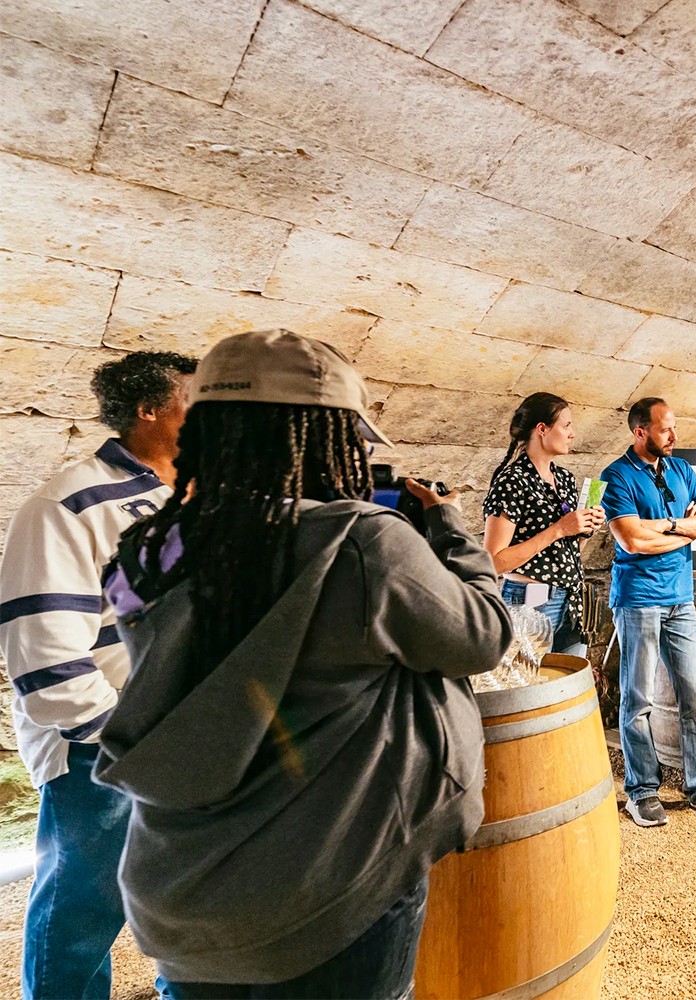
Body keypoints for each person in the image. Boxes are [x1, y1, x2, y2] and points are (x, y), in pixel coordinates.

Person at [93, 329, 513, 997]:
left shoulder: (150, 548)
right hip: (331, 887)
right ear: (327, 437)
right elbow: (482, 635)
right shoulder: (364, 543)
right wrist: (450, 529)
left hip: (185, 890)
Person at [0, 350, 195, 1000]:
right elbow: (47, 658)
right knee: (81, 915)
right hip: (106, 750)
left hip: (186, 739)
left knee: (184, 903)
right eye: (195, 399)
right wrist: (125, 738)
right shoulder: (66, 505)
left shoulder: (188, 496)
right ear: (148, 410)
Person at [601, 397, 696, 828]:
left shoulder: (682, 470)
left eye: (674, 427)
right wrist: (688, 530)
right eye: (665, 429)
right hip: (638, 599)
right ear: (640, 432)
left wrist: (670, 525)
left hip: (681, 599)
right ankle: (641, 792)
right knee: (637, 701)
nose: (674, 436)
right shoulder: (616, 476)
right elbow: (632, 541)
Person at [483, 392, 605, 653]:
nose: (572, 433)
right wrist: (559, 529)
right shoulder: (512, 481)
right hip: (530, 600)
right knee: (528, 678)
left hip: (571, 600)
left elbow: (566, 552)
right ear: (542, 429)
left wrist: (585, 528)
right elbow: (493, 561)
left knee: (571, 678)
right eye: (566, 425)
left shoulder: (565, 479)